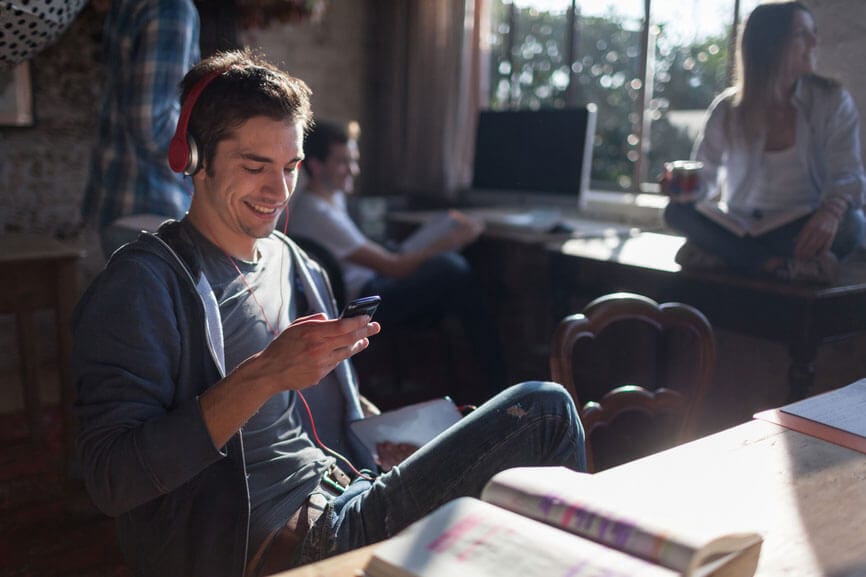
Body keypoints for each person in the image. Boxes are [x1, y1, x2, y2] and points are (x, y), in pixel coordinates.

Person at [72, 49, 587, 577]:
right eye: (255, 167)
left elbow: (325, 401)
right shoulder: (143, 285)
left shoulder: (294, 263)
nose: (277, 192)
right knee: (543, 411)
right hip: (290, 543)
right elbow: (113, 479)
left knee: (516, 476)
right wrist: (267, 373)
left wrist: (409, 431)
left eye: (290, 168)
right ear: (194, 157)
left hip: (351, 489)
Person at [285, 120, 506, 401]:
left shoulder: (330, 198)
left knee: (454, 280)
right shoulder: (318, 212)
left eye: (354, 161)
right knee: (453, 268)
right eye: (343, 162)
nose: (353, 170)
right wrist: (451, 240)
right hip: (361, 302)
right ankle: (492, 378)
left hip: (368, 284)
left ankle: (474, 376)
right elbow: (394, 267)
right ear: (315, 165)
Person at [662, 0, 865, 284]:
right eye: (801, 33)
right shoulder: (728, 108)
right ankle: (775, 264)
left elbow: (848, 172)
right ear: (771, 44)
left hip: (797, 227)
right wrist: (682, 189)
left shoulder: (831, 100)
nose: (814, 41)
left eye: (814, 32)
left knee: (853, 225)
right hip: (740, 225)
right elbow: (705, 181)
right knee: (676, 212)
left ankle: (730, 257)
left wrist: (830, 213)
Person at [80, 0, 200, 259]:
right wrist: (204, 153)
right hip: (152, 206)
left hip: (120, 200)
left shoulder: (130, 5)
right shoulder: (171, 7)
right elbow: (151, 121)